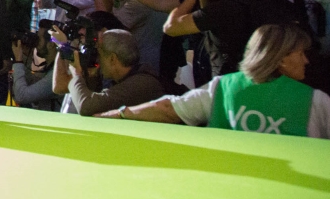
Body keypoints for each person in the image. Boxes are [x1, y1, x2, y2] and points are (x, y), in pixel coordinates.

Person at [98, 23, 330, 138]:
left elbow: (169, 109)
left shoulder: (224, 87)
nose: (307, 61)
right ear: (280, 58)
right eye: (301, 53)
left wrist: (118, 114)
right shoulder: (316, 102)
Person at [54, 28, 164, 116]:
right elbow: (95, 99)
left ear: (112, 59)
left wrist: (76, 73)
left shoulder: (141, 84)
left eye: (99, 54)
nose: (96, 60)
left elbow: (86, 107)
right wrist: (93, 77)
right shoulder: (129, 78)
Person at [10, 25, 63, 111]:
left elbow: (21, 96)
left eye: (38, 39)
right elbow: (29, 84)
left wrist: (18, 61)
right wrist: (25, 56)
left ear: (51, 45)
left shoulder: (56, 75)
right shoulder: (51, 68)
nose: (35, 42)